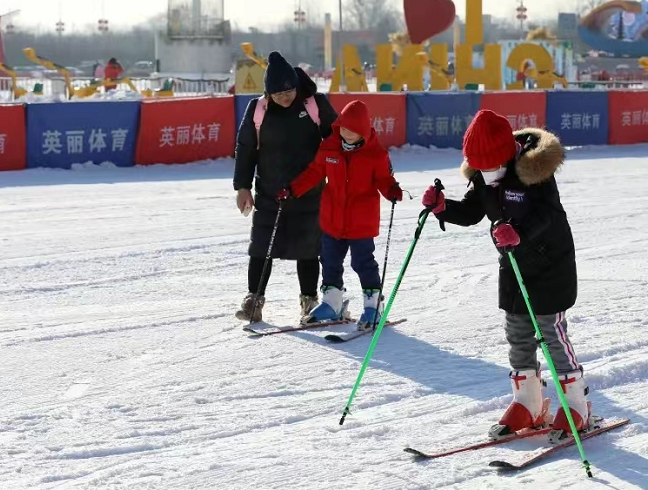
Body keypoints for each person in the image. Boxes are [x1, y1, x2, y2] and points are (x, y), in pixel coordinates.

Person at [421, 109, 589, 442]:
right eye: (480, 169)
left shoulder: (534, 172)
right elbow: (472, 211)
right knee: (517, 331)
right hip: (513, 264)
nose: (487, 174)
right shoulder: (484, 173)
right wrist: (443, 207)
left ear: (507, 155)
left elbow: (548, 216)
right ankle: (528, 402)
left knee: (550, 332)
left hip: (550, 264)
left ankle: (576, 405)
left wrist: (519, 233)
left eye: (491, 167)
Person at [233, 51, 338, 323]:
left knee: (309, 249)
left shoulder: (314, 104)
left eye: (289, 91)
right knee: (261, 247)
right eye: (278, 94)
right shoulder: (258, 110)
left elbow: (337, 141)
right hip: (269, 192)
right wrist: (242, 186)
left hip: (309, 192)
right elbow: (245, 150)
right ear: (268, 93)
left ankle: (309, 300)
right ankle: (254, 300)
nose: (285, 97)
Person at [285, 100, 402, 329]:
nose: (346, 132)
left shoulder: (375, 154)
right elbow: (315, 172)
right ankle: (332, 303)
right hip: (333, 219)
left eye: (353, 129)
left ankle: (373, 307)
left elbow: (384, 179)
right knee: (329, 260)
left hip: (361, 222)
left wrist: (392, 191)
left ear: (363, 130)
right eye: (343, 127)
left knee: (363, 263)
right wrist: (293, 189)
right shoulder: (329, 147)